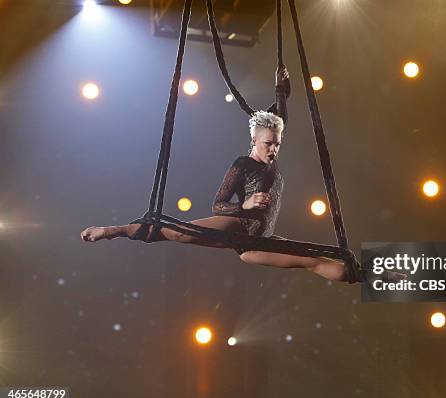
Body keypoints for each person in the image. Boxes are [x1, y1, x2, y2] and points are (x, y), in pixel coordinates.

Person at [80, 66, 353, 282]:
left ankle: (375, 276)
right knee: (179, 233)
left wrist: (281, 87)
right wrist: (245, 204)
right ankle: (112, 230)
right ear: (254, 142)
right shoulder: (242, 165)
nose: (273, 149)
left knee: (331, 266)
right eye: (268, 144)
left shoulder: (272, 155)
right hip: (241, 232)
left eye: (277, 144)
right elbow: (218, 205)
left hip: (263, 239)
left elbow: (280, 119)